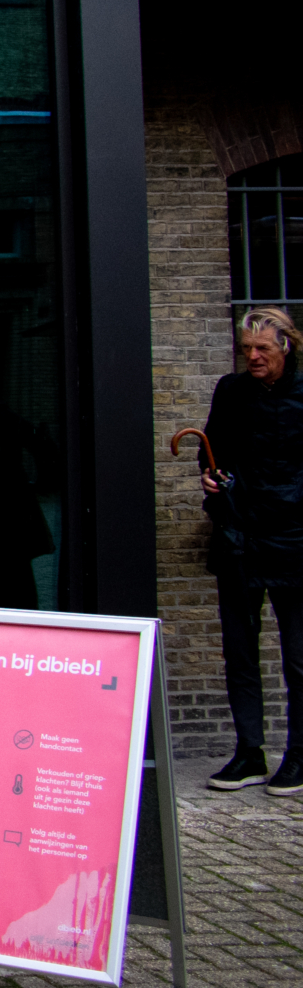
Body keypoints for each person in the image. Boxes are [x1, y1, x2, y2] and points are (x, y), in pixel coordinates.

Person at [199, 307, 303, 795]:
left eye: (262, 349)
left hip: (296, 542)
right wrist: (211, 476)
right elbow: (211, 450)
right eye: (247, 351)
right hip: (240, 538)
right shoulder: (231, 390)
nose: (253, 358)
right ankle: (249, 753)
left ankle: (298, 756)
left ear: (287, 345)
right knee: (240, 652)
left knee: (297, 657)